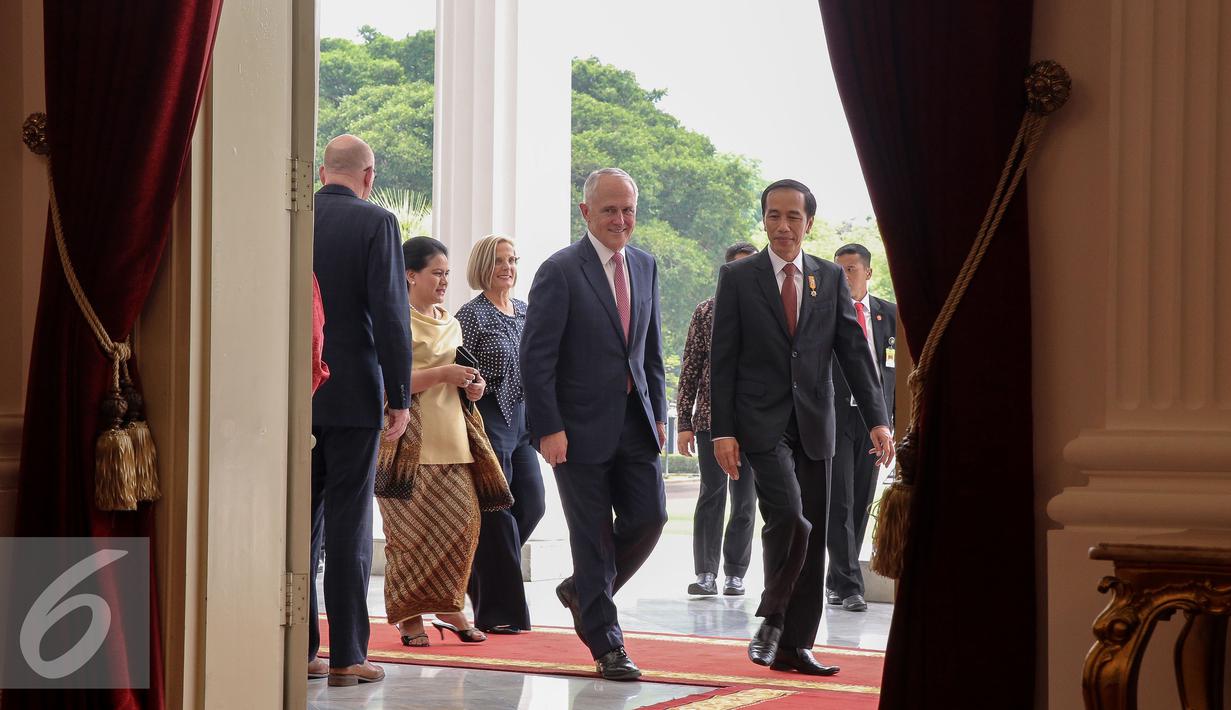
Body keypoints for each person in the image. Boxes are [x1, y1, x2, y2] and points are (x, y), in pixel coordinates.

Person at [709, 179, 894, 676]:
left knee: (810, 535)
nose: (783, 226)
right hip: (759, 423)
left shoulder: (830, 278)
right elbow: (721, 358)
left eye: (793, 216)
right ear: (764, 219)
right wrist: (721, 430)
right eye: (773, 215)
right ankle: (771, 615)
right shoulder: (738, 277)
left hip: (817, 423)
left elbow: (855, 352)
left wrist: (878, 419)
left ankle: (795, 645)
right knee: (790, 518)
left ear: (809, 222)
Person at [520, 167, 668, 681]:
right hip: (576, 430)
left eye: (628, 209)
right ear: (585, 212)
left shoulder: (645, 266)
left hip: (636, 424)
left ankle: (582, 591)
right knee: (592, 537)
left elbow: (650, 350)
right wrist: (547, 427)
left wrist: (659, 413)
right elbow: (536, 358)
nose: (620, 219)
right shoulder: (560, 270)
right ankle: (606, 643)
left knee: (650, 519)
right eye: (609, 209)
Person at [309, 134, 413, 687]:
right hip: (353, 397)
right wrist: (399, 395)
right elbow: (392, 315)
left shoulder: (295, 216)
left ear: (322, 171)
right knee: (350, 523)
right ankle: (348, 654)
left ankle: (300, 648)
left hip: (294, 394)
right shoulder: (377, 224)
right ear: (369, 176)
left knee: (299, 521)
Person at [379, 236, 489, 648]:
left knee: (464, 526)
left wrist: (472, 386)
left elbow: (458, 376)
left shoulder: (450, 319)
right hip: (406, 441)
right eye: (436, 273)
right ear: (410, 275)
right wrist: (444, 374)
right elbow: (391, 382)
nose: (444, 280)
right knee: (408, 535)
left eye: (447, 273)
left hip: (455, 437)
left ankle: (448, 603)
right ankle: (409, 617)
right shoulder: (395, 319)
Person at [456, 235, 546, 634]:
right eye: (499, 261)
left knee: (532, 504)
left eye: (512, 260)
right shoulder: (470, 315)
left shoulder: (526, 311)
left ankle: (479, 574)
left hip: (524, 421)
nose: (508, 268)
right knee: (498, 514)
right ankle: (501, 614)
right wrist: (473, 385)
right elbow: (460, 369)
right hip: (488, 416)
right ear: (483, 267)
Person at [677, 242, 760, 597]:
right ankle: (705, 573)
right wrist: (684, 422)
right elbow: (691, 368)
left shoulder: (767, 312)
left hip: (756, 421)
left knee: (745, 499)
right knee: (712, 494)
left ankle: (735, 573)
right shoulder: (706, 312)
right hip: (712, 420)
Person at [824, 243, 897, 613]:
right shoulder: (824, 314)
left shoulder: (891, 316)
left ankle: (837, 579)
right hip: (835, 419)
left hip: (875, 424)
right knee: (839, 501)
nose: (844, 276)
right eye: (838, 270)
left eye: (851, 270)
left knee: (861, 502)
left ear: (867, 273)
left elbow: (899, 375)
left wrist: (890, 422)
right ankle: (850, 585)